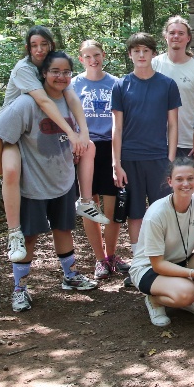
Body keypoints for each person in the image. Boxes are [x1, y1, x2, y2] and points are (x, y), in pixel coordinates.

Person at [0, 51, 98, 312]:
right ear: (44, 74)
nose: (61, 77)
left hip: (62, 179)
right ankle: (20, 288)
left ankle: (70, 276)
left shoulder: (69, 102)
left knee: (63, 229)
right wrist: (1, 170)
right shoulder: (27, 104)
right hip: (33, 183)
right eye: (55, 72)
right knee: (29, 237)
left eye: (66, 72)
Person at [127, 156, 194, 326]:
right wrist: (193, 274)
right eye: (179, 179)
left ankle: (182, 298)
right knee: (187, 292)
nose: (186, 184)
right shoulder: (156, 214)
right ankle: (157, 300)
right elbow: (158, 264)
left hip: (182, 260)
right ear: (170, 182)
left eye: (190, 178)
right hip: (149, 269)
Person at [111, 32, 182, 248]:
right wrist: (117, 164)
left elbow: (173, 124)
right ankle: (138, 263)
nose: (141, 55)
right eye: (136, 51)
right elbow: (117, 127)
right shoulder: (121, 86)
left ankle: (167, 258)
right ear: (130, 55)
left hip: (159, 158)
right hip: (130, 158)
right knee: (135, 213)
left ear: (153, 53)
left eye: (145, 50)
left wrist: (170, 160)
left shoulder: (167, 84)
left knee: (163, 211)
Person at [71, 40, 123, 279]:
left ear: (104, 55)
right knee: (89, 207)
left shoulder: (115, 83)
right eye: (88, 56)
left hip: (111, 148)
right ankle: (99, 258)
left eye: (97, 55)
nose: (93, 60)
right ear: (81, 59)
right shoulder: (73, 85)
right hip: (86, 149)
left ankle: (112, 255)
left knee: (112, 208)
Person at [152, 17, 194, 159]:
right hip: (155, 141)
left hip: (188, 143)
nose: (176, 36)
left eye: (181, 33)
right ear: (165, 36)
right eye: (172, 33)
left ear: (188, 38)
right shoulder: (153, 65)